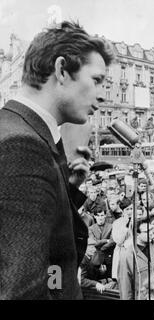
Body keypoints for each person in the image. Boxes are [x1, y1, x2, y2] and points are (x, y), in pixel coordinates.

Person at [0, 21, 114, 299]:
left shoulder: (16, 128)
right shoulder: (23, 146)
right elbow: (23, 289)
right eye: (97, 80)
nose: (102, 94)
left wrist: (68, 189)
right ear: (62, 70)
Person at [117, 218, 154, 300]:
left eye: (151, 229)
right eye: (147, 231)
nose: (151, 233)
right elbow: (125, 289)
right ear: (137, 234)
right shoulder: (127, 256)